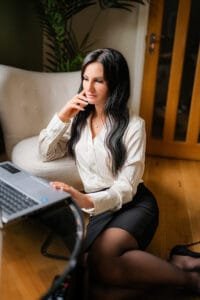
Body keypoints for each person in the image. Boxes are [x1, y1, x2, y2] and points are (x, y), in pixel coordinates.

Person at [38, 48, 200, 299]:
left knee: (102, 264)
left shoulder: (134, 126)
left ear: (114, 83)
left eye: (98, 80)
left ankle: (190, 281)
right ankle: (176, 269)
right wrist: (62, 116)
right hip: (98, 208)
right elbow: (46, 152)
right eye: (85, 78)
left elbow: (127, 187)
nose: (88, 87)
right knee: (92, 288)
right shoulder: (78, 119)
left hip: (133, 204)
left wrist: (87, 200)